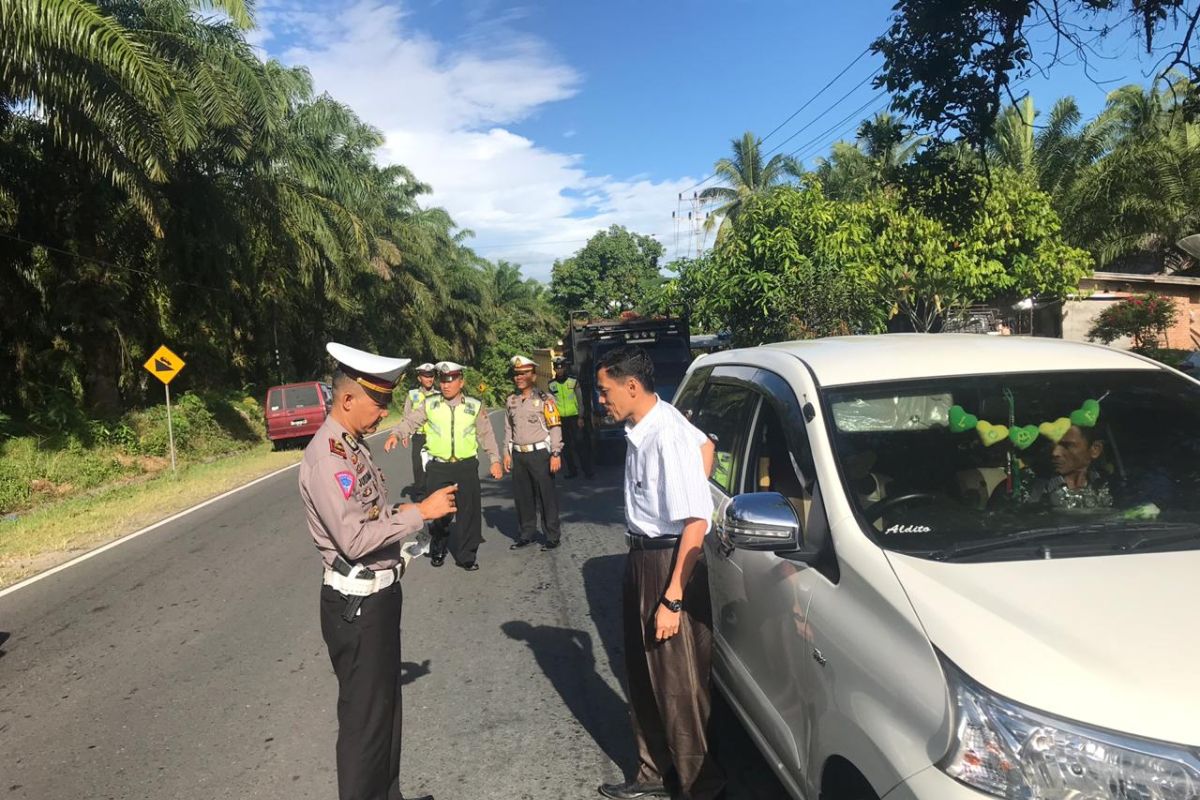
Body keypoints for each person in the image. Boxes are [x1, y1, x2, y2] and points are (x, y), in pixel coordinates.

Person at [300, 342, 458, 800]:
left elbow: (371, 515)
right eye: (379, 403)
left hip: (379, 598)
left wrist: (405, 514)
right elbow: (353, 539)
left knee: (386, 711)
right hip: (358, 604)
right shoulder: (329, 457)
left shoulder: (352, 445)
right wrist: (420, 513)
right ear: (347, 399)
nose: (383, 413)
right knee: (364, 724)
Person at [594, 345, 724, 800]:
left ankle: (700, 787)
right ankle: (653, 772)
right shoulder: (648, 425)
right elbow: (706, 445)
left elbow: (695, 523)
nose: (601, 400)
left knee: (678, 685)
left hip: (670, 561)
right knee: (642, 672)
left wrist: (672, 597)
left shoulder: (666, 434)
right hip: (641, 557)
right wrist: (693, 481)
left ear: (632, 386)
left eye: (605, 390)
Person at [390, 360, 502, 570]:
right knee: (439, 512)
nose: (445, 385)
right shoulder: (430, 404)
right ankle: (438, 548)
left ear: (461, 382)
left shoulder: (474, 406)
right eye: (442, 380)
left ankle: (467, 555)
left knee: (468, 513)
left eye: (450, 380)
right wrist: (397, 433)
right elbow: (411, 420)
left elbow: (486, 434)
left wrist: (495, 459)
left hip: (465, 466)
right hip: (438, 467)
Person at [503, 355, 564, 551]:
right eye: (517, 374)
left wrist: (555, 453)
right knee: (523, 497)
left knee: (546, 496)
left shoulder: (546, 399)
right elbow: (508, 429)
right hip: (519, 455)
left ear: (534, 376)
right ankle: (526, 534)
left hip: (540, 455)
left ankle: (552, 535)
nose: (519, 377)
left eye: (524, 373)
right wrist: (507, 452)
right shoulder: (511, 401)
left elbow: (554, 427)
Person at [1024, 423, 1113, 509]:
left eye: (1067, 445)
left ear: (1095, 450)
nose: (1055, 453)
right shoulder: (1034, 489)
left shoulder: (1109, 486)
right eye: (1051, 446)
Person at [385, 362, 438, 500]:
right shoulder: (412, 395)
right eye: (426, 376)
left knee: (435, 464)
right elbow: (407, 415)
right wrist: (404, 434)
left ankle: (435, 490)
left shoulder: (439, 395)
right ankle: (421, 492)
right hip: (419, 435)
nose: (429, 379)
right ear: (419, 378)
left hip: (435, 436)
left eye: (431, 376)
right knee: (418, 465)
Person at [549, 356, 593, 478]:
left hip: (574, 418)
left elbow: (580, 399)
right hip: (560, 420)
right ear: (554, 369)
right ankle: (572, 471)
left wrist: (581, 416)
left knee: (580, 444)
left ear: (565, 368)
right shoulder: (551, 384)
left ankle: (587, 471)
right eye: (557, 368)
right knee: (566, 447)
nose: (560, 370)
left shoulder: (573, 381)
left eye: (562, 367)